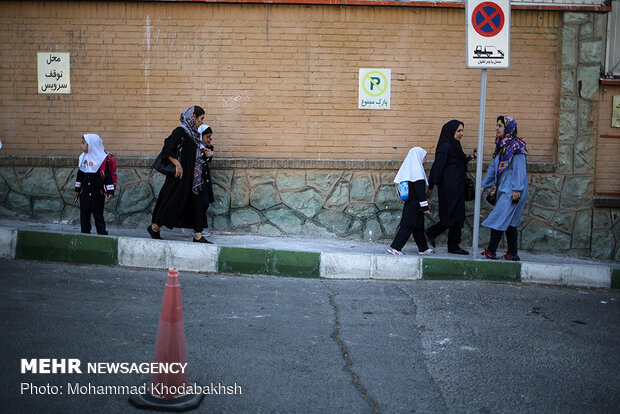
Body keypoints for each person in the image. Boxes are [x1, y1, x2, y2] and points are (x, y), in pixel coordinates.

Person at [147, 106, 213, 243]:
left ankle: (198, 235)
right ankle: (154, 227)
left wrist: (204, 153)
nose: (201, 122)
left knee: (197, 203)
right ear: (193, 117)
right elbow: (167, 148)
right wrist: (177, 164)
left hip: (193, 177)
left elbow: (191, 154)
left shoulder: (194, 135)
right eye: (201, 119)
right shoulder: (181, 131)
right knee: (172, 202)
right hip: (180, 176)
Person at [480, 115, 528, 261]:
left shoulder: (516, 147)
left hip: (513, 190)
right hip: (506, 189)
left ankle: (491, 251)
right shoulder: (502, 147)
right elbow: (494, 168)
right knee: (510, 222)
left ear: (508, 128)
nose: (497, 128)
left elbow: (520, 168)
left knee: (499, 217)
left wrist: (517, 189)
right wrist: (483, 185)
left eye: (500, 125)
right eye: (497, 125)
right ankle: (512, 253)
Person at [425, 120, 476, 255]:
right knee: (452, 216)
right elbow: (437, 167)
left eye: (462, 131)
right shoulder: (445, 147)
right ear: (450, 131)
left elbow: (458, 163)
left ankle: (447, 242)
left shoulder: (454, 146)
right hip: (449, 188)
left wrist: (470, 157)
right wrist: (430, 187)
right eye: (459, 131)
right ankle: (442, 239)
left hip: (456, 187)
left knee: (457, 216)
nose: (461, 134)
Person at [387, 147, 435, 256]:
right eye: (424, 156)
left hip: (412, 204)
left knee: (418, 227)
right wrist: (425, 207)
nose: (425, 159)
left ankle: (423, 248)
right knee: (407, 226)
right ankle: (395, 247)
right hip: (414, 205)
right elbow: (420, 193)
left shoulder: (410, 170)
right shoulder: (417, 172)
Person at [73, 134, 114, 235]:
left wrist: (110, 191)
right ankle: (85, 234)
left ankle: (102, 234)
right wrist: (77, 190)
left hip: (98, 193)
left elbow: (108, 176)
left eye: (83, 143)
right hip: (85, 193)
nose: (81, 145)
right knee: (84, 214)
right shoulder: (83, 158)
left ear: (92, 145)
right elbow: (80, 176)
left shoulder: (103, 159)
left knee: (98, 215)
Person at [197, 124, 215, 237]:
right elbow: (196, 163)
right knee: (200, 203)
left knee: (205, 203)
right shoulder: (194, 148)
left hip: (205, 179)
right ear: (200, 136)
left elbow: (208, 159)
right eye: (207, 137)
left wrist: (206, 152)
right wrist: (204, 155)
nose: (210, 139)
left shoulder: (208, 148)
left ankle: (199, 227)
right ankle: (196, 228)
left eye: (210, 137)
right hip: (197, 180)